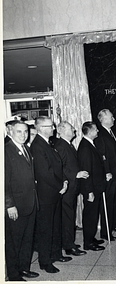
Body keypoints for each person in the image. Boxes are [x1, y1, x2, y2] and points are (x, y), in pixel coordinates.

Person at [30, 116, 72, 274]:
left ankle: (55, 254)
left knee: (55, 225)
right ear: (41, 128)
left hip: (55, 192)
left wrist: (65, 181)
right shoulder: (37, 146)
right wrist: (60, 185)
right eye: (50, 126)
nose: (54, 129)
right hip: (47, 195)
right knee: (46, 229)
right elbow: (44, 173)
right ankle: (45, 261)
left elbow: (57, 167)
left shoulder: (48, 143)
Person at [5, 120, 39, 281]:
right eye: (19, 131)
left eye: (25, 131)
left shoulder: (26, 149)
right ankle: (13, 274)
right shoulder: (6, 151)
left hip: (30, 203)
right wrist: (9, 205)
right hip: (16, 205)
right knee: (14, 242)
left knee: (27, 238)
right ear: (10, 131)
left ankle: (24, 268)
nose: (23, 135)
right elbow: (4, 183)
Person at [54, 121, 88, 256]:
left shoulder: (68, 145)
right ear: (61, 131)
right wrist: (76, 174)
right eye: (70, 128)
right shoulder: (60, 146)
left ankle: (68, 241)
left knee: (70, 216)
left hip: (72, 187)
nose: (74, 129)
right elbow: (59, 168)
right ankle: (69, 246)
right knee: (67, 217)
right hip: (66, 188)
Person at [95, 109, 116, 241]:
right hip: (110, 175)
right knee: (108, 202)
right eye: (111, 117)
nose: (114, 119)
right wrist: (107, 172)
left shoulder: (111, 132)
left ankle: (114, 225)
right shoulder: (100, 134)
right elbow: (102, 156)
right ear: (103, 119)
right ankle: (105, 231)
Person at [77, 121, 107, 251]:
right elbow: (86, 171)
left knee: (94, 215)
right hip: (91, 189)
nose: (98, 131)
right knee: (90, 215)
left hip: (96, 187)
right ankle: (88, 243)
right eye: (95, 129)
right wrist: (89, 191)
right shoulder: (85, 147)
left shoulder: (90, 144)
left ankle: (91, 238)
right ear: (89, 131)